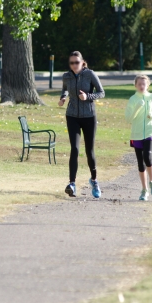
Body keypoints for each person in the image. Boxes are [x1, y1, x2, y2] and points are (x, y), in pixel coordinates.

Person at [58, 51, 105, 198]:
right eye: (71, 63)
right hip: (72, 116)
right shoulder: (67, 76)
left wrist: (87, 97)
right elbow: (65, 89)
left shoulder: (90, 74)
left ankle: (94, 181)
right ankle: (72, 184)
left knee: (89, 151)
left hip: (89, 116)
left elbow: (101, 92)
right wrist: (63, 98)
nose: (74, 65)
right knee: (75, 149)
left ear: (82, 62)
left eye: (76, 62)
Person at [125, 75, 152, 201]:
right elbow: (128, 119)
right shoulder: (133, 99)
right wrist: (137, 108)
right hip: (137, 134)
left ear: (148, 85)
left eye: (144, 84)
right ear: (135, 85)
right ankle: (144, 189)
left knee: (148, 156)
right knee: (140, 162)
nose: (142, 86)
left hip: (150, 131)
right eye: (139, 84)